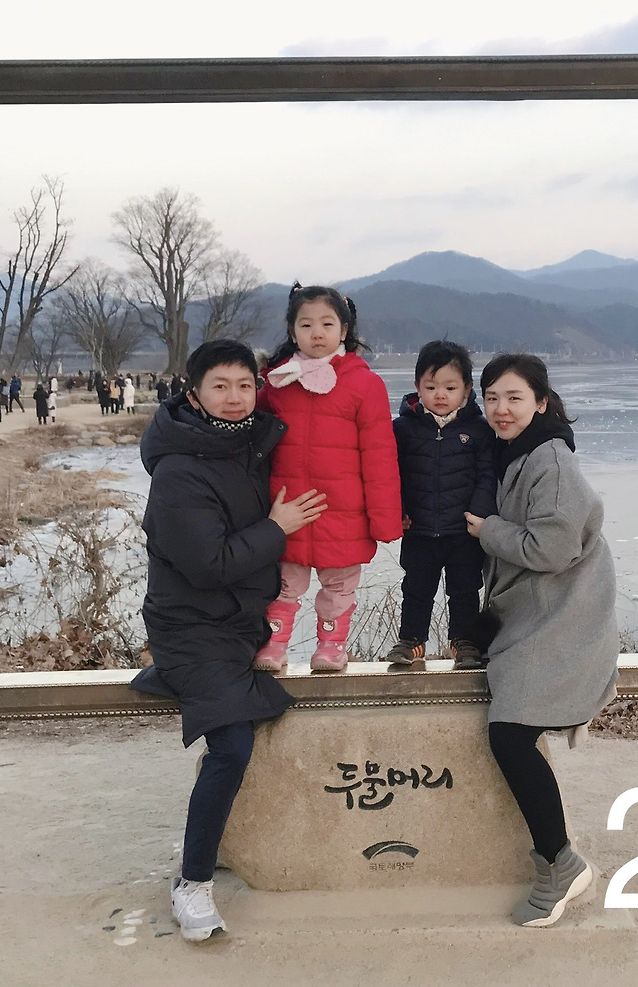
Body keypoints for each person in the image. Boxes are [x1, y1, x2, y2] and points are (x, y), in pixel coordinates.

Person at [128, 339, 326, 942]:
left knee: (257, 717)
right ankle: (192, 882)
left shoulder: (251, 445)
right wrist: (278, 527)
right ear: (194, 395)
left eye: (245, 385)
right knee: (233, 745)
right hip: (191, 624)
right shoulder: (177, 472)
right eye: (220, 386)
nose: (236, 397)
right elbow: (208, 564)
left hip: (244, 621)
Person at [463, 353, 618, 929]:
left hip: (565, 620)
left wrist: (488, 531)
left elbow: (551, 549)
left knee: (510, 733)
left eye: (514, 398)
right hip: (539, 614)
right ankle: (559, 860)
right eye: (491, 398)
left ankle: (561, 864)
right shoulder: (514, 452)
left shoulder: (550, 460)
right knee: (510, 730)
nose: (501, 410)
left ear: (541, 402)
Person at [252, 282, 402, 673]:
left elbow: (380, 457)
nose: (316, 333)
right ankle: (274, 645)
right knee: (283, 584)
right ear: (292, 331)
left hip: (343, 510)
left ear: (344, 330)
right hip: (288, 507)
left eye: (327, 323)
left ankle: (331, 648)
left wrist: (384, 520)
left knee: (339, 586)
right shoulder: (278, 382)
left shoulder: (365, 384)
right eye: (306, 325)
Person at [386, 340, 495, 669]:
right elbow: (390, 475)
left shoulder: (478, 430)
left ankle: (464, 643)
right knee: (416, 589)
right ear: (417, 387)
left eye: (450, 387)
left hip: (463, 531)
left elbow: (486, 475)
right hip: (418, 529)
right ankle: (412, 641)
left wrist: (478, 515)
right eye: (431, 387)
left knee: (465, 590)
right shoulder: (403, 429)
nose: (440, 395)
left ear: (467, 389)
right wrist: (397, 511)